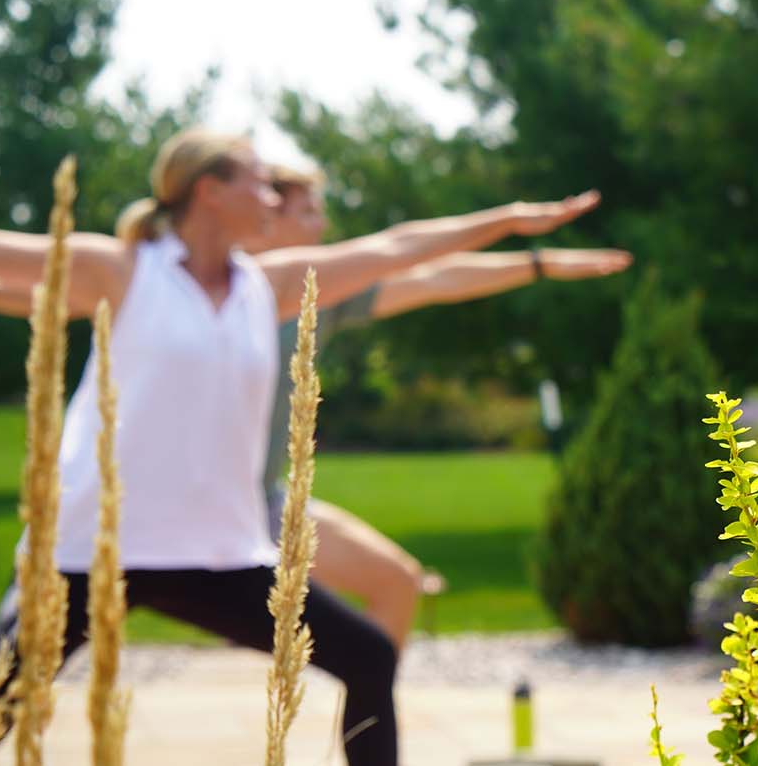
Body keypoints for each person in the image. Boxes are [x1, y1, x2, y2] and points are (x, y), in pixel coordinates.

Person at [0, 127, 600, 766]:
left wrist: (510, 219)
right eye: (258, 183)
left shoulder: (273, 288)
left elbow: (397, 247)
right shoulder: (119, 271)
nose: (270, 198)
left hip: (217, 554)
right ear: (210, 191)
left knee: (368, 658)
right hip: (90, 549)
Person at [256, 163, 631, 649]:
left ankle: (366, 721)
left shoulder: (319, 295)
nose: (321, 225)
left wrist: (538, 264)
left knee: (397, 583)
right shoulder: (214, 289)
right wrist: (512, 219)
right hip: (187, 505)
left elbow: (434, 277)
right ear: (266, 215)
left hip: (259, 501)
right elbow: (397, 245)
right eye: (307, 212)